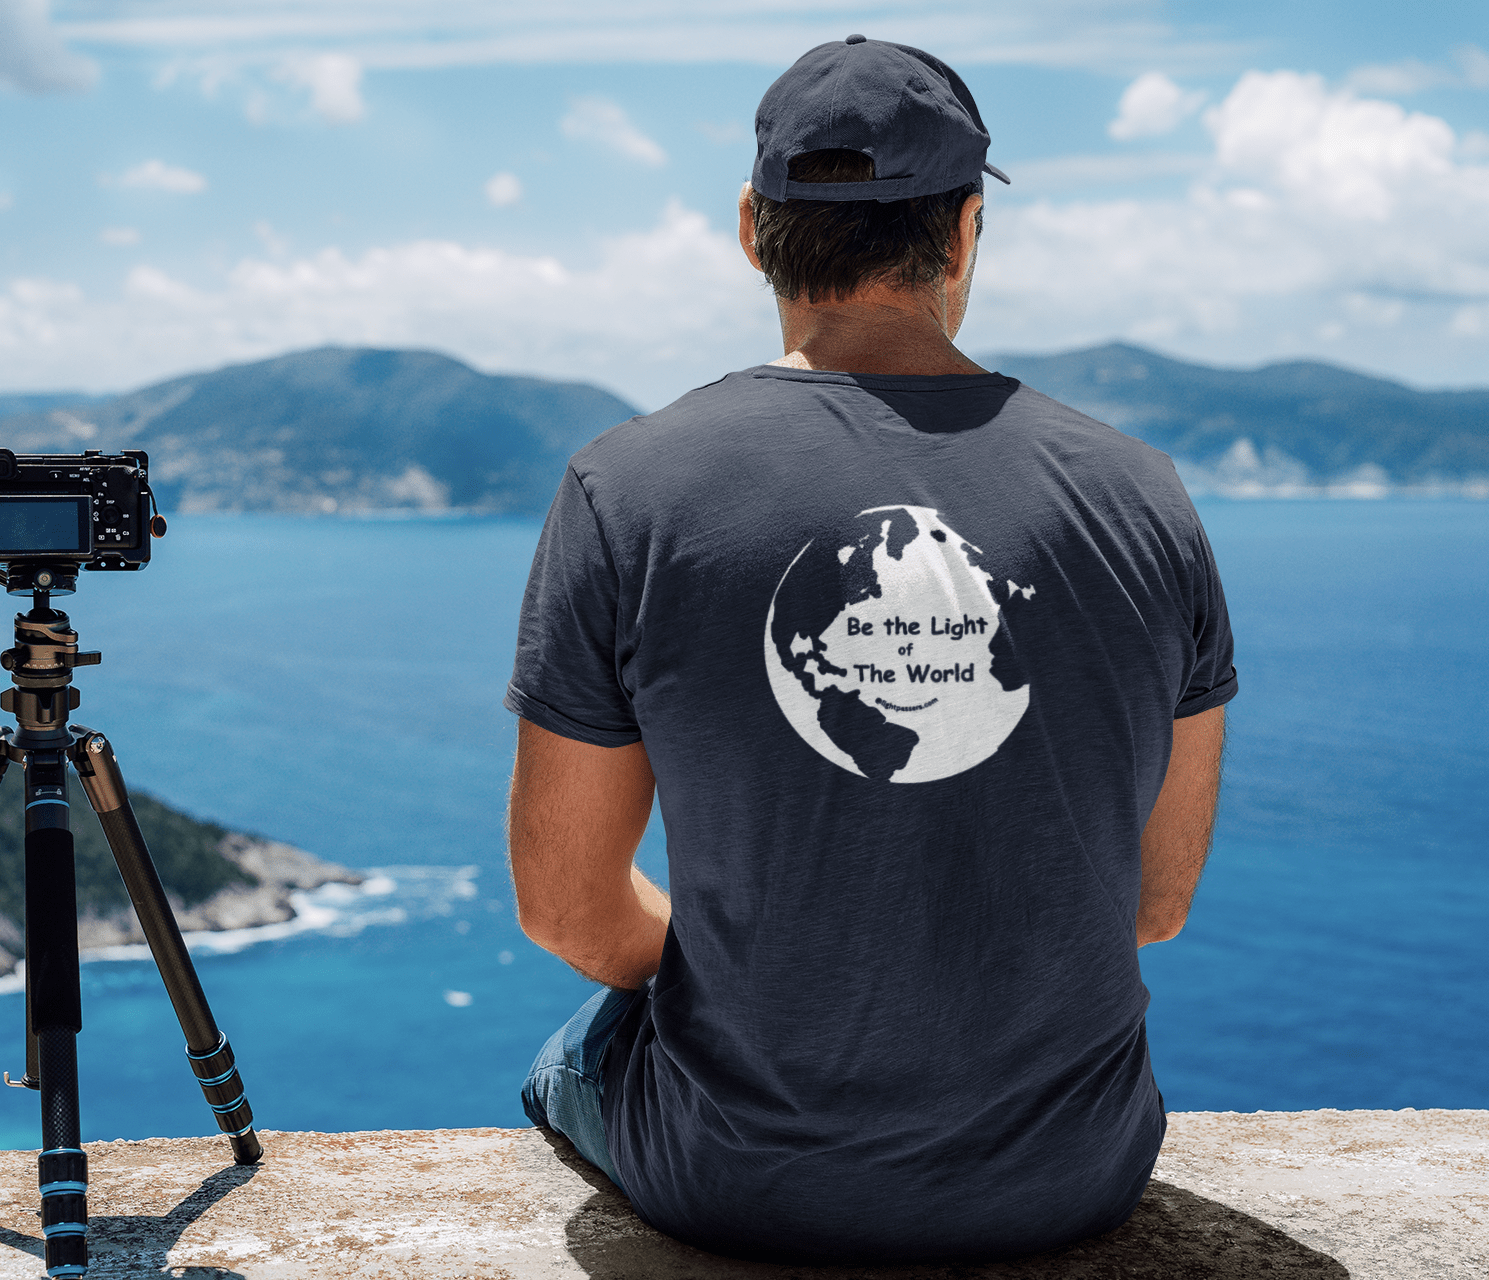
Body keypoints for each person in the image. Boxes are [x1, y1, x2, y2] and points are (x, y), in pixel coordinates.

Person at [504, 34, 1236, 1264]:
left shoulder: (626, 489)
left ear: (752, 229)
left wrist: (766, 969)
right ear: (962, 233)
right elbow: (1155, 904)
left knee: (565, 1054)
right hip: (1075, 1173)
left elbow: (569, 912)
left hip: (740, 1183)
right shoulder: (1142, 496)